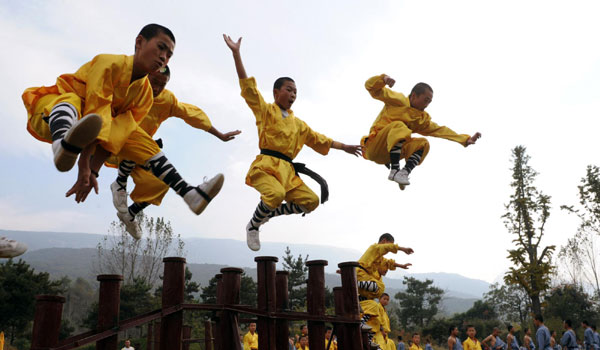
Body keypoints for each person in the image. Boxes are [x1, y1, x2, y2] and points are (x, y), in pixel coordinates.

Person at [24, 25, 223, 214]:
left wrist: (92, 172)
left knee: (136, 135)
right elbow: (97, 110)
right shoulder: (109, 63)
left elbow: (116, 134)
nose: (163, 57)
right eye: (160, 48)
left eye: (169, 55)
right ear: (139, 42)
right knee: (73, 101)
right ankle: (61, 144)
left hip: (90, 137)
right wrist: (83, 164)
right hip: (52, 115)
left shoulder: (144, 95)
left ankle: (188, 193)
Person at [223, 35, 362, 251]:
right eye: (289, 89)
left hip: (288, 172)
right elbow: (248, 89)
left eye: (295, 91)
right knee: (276, 194)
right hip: (267, 166)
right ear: (276, 92)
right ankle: (254, 225)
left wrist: (345, 147)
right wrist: (236, 54)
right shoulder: (266, 111)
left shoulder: (299, 124)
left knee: (312, 201)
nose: (293, 94)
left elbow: (319, 139)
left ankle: (270, 212)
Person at [109, 65, 240, 238]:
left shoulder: (166, 100)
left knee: (161, 183)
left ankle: (129, 214)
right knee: (136, 136)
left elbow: (192, 114)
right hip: (115, 143)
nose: (156, 88)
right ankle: (120, 181)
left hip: (146, 154)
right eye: (154, 82)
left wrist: (219, 134)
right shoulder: (132, 89)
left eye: (161, 85)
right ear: (146, 76)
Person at [360, 74, 481, 190]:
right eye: (425, 100)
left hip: (387, 156)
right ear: (413, 96)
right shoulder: (398, 100)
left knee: (423, 143)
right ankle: (395, 169)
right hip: (375, 145)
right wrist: (383, 79)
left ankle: (403, 173)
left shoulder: (421, 119)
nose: (427, 105)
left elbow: (440, 130)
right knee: (399, 126)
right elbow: (370, 87)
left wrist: (464, 139)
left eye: (429, 102)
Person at [356, 233, 412, 350]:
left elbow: (388, 262)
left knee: (378, 291)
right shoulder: (374, 248)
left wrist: (401, 266)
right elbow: (386, 248)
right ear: (385, 241)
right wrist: (402, 249)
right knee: (379, 289)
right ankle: (353, 282)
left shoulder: (379, 258)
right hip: (361, 274)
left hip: (364, 287)